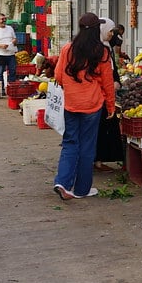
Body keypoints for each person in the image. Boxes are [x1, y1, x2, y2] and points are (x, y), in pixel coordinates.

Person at [53, 12, 116, 200]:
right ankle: (82, 189)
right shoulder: (102, 52)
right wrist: (111, 106)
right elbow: (108, 82)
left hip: (71, 103)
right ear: (97, 29)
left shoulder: (68, 49)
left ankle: (62, 182)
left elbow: (58, 76)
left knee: (70, 143)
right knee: (87, 147)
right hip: (93, 104)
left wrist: (71, 87)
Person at [92, 17, 124, 173]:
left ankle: (98, 160)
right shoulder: (98, 49)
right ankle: (97, 161)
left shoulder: (105, 46)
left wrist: (116, 80)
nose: (112, 34)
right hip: (100, 95)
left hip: (103, 93)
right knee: (101, 128)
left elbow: (113, 69)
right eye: (110, 31)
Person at [0, 13, 18, 95]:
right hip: (0, 54)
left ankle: (11, 88)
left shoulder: (10, 28)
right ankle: (0, 90)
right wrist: (1, 46)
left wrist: (14, 41)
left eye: (4, 19)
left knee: (12, 71)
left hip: (11, 54)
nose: (3, 20)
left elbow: (15, 39)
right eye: (1, 19)